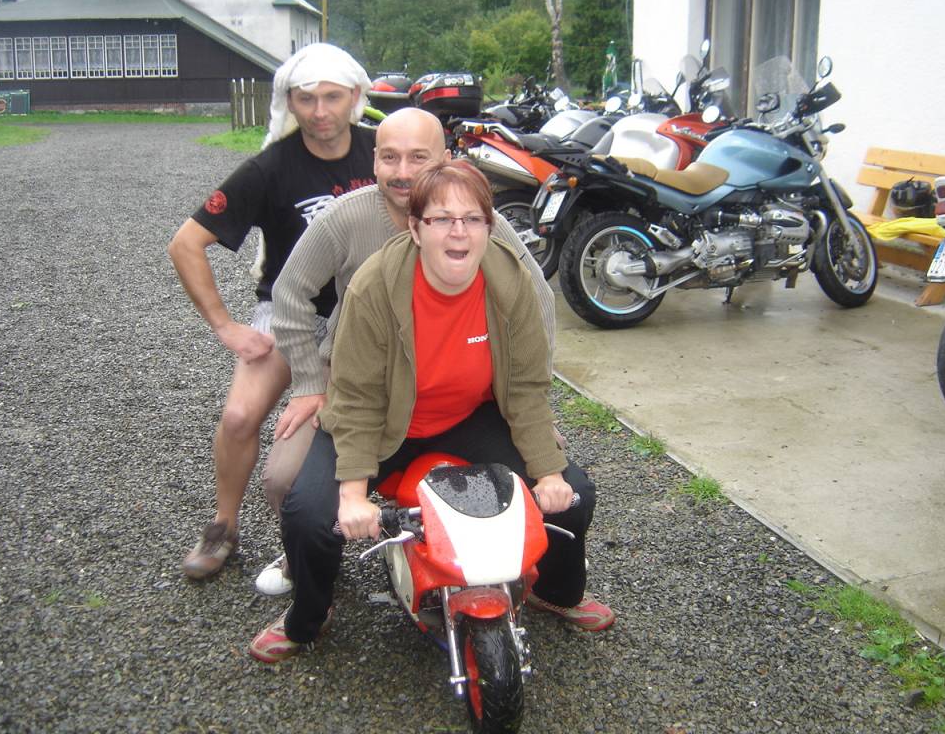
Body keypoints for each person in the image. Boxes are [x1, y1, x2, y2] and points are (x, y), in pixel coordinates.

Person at [249, 160, 613, 663]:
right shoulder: (375, 286)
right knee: (309, 515)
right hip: (381, 424)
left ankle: (555, 592)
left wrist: (549, 473)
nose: (458, 231)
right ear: (416, 229)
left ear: (489, 227)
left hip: (467, 417)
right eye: (441, 219)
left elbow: (527, 387)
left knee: (574, 495)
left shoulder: (511, 282)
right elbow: (355, 399)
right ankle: (308, 617)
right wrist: (353, 494)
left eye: (472, 218)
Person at [252, 108, 557, 596]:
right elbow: (288, 292)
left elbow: (537, 303)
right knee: (287, 481)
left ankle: (533, 576)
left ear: (445, 160)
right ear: (374, 161)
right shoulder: (343, 218)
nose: (403, 172)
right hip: (357, 376)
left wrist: (523, 400)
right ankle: (305, 565)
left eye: (419, 158)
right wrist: (309, 382)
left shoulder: (478, 221)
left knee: (554, 472)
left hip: (457, 382)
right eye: (390, 157)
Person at [168, 43, 376, 580]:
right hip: (289, 313)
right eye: (306, 99)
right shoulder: (270, 168)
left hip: (369, 314)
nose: (320, 111)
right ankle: (224, 525)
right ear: (289, 101)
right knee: (239, 417)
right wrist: (225, 326)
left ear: (355, 96)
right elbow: (185, 244)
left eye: (332, 97)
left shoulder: (383, 153)